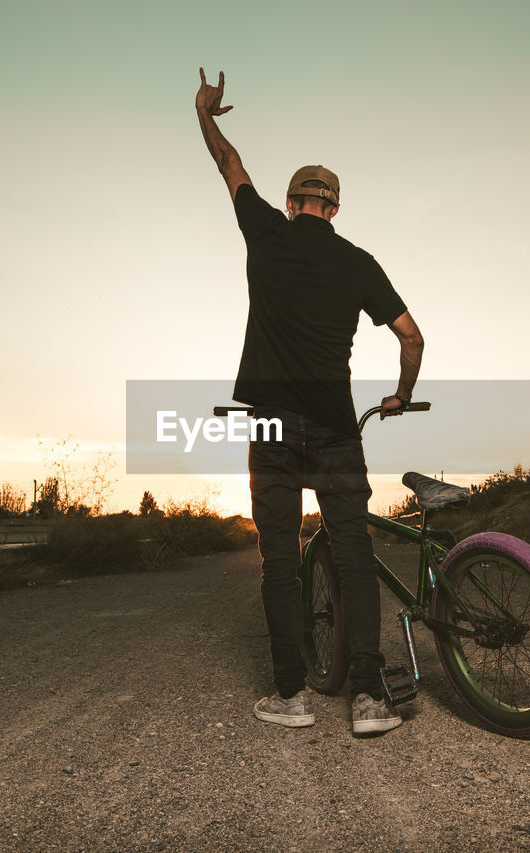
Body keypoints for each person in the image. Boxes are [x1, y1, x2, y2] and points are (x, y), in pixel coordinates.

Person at [195, 68, 424, 735]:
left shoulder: (264, 232)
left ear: (293, 201)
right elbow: (411, 337)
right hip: (332, 428)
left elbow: (228, 161)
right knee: (354, 553)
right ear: (335, 207)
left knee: (279, 556)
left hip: (270, 426)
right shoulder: (358, 261)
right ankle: (370, 699)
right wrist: (401, 395)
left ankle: (291, 695)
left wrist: (204, 112)